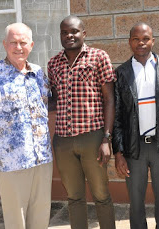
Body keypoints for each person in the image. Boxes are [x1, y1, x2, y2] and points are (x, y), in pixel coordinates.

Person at [0, 23, 53, 229]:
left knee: (41, 216)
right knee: (16, 220)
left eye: (23, 42)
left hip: (41, 158)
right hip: (10, 162)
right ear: (5, 45)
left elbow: (45, 106)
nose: (18, 47)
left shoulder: (38, 74)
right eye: (13, 42)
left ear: (31, 45)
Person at [113, 22, 159, 229]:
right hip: (133, 148)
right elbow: (117, 115)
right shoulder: (121, 73)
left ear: (153, 41)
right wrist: (118, 152)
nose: (141, 43)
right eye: (136, 39)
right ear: (130, 42)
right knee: (135, 201)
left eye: (145, 38)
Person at [47, 16, 116, 229]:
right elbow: (54, 100)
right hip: (63, 141)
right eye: (64, 32)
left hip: (92, 138)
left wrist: (106, 138)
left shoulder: (98, 57)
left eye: (74, 31)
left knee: (101, 195)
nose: (69, 36)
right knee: (74, 197)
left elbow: (110, 99)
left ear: (83, 34)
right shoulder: (53, 63)